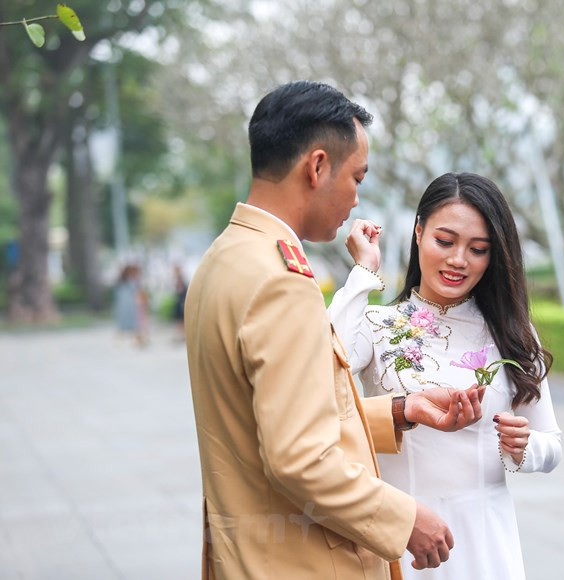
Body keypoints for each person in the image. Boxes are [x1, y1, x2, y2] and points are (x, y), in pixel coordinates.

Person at [184, 81, 486, 580]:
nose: (355, 198)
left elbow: (272, 420)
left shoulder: (223, 260)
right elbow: (299, 459)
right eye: (356, 177)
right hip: (299, 562)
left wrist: (399, 410)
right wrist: (405, 518)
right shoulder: (281, 282)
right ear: (318, 166)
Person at [329, 172, 563, 579]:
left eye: (478, 249)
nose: (459, 260)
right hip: (402, 530)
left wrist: (522, 447)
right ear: (418, 232)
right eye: (445, 241)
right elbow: (322, 373)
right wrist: (363, 272)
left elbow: (551, 444)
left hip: (485, 538)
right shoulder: (377, 324)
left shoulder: (510, 330)